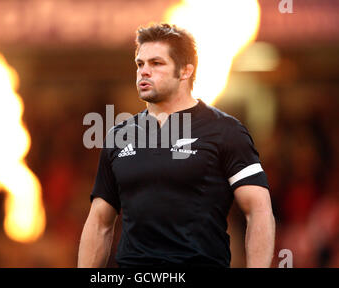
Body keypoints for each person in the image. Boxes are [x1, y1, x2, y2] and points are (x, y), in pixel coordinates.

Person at [78, 23, 275, 268]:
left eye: (156, 63)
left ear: (185, 71)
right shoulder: (119, 135)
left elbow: (259, 210)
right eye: (140, 64)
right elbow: (99, 222)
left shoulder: (226, 131)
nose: (144, 72)